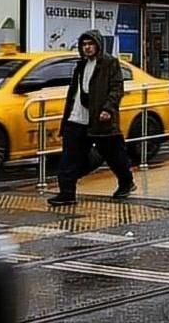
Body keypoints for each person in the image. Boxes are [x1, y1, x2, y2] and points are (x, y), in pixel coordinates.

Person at [49, 29, 133, 207]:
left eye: (90, 44)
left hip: (100, 119)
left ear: (98, 45)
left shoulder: (110, 63)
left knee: (114, 155)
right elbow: (75, 91)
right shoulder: (80, 65)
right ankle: (67, 193)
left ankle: (126, 183)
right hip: (77, 118)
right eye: (84, 44)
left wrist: (108, 109)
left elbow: (116, 88)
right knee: (69, 157)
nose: (87, 48)